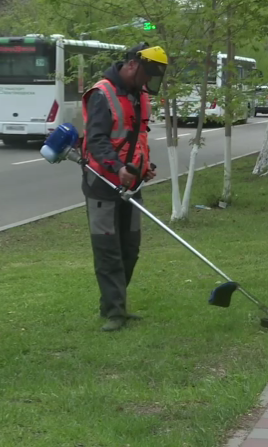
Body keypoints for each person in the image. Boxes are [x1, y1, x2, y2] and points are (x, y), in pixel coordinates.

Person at [80, 42, 168, 332]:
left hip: (133, 183)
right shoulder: (102, 94)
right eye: (146, 74)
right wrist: (118, 168)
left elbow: (137, 137)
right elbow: (97, 139)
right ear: (132, 64)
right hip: (103, 182)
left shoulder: (139, 95)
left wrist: (144, 167)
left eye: (152, 77)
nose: (147, 82)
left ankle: (114, 304)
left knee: (130, 247)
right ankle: (115, 311)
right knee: (108, 250)